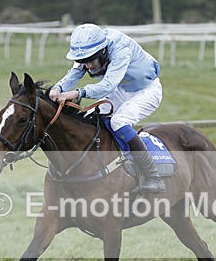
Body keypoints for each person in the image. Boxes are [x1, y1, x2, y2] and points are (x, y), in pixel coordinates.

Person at [49, 23, 166, 193]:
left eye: (90, 60)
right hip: (122, 90)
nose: (88, 66)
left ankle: (153, 177)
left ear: (103, 51)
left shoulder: (120, 48)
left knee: (119, 121)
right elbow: (74, 74)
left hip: (146, 90)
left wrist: (76, 93)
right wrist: (57, 89)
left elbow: (108, 85)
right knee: (88, 118)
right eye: (83, 61)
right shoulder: (88, 49)